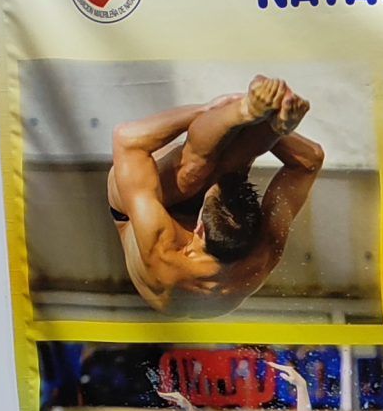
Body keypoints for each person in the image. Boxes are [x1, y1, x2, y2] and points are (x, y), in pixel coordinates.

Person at [105, 76, 322, 317]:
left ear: (199, 229)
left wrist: (208, 109)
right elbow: (308, 162)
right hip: (204, 253)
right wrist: (278, 128)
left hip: (137, 220)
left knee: (193, 173)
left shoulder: (163, 250)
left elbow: (126, 138)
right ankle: (266, 123)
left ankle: (246, 111)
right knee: (232, 166)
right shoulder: (265, 248)